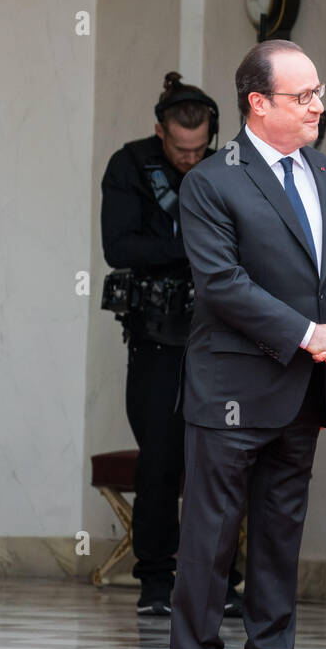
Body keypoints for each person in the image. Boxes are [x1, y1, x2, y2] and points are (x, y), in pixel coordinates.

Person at [169, 40, 326, 649]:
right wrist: (310, 334)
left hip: (302, 390)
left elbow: (324, 277)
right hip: (231, 388)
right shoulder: (212, 181)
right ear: (258, 104)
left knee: (280, 536)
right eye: (303, 97)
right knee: (211, 537)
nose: (317, 106)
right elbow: (221, 284)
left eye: (317, 92)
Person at [101, 72, 244, 616]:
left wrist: (182, 250)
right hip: (156, 336)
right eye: (181, 148)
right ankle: (156, 583)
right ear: (159, 132)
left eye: (199, 147)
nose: (190, 157)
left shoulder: (224, 167)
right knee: (159, 459)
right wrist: (192, 251)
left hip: (216, 335)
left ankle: (220, 582)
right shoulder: (130, 164)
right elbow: (119, 245)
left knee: (221, 460)